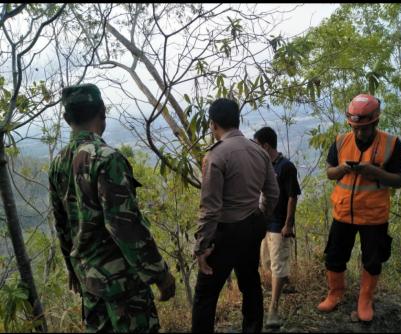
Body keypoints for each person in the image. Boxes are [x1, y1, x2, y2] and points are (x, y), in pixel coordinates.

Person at [49, 84, 176, 332]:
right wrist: (160, 275)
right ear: (102, 112)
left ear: (66, 118)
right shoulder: (106, 158)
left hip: (90, 283)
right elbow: (124, 226)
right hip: (123, 286)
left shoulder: (57, 163)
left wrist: (73, 270)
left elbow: (61, 224)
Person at [192, 98, 280, 333]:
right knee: (250, 282)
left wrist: (202, 247)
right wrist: (261, 215)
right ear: (237, 120)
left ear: (212, 125)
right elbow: (273, 192)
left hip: (226, 231)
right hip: (252, 225)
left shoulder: (216, 156)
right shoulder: (259, 151)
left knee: (206, 293)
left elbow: (210, 208)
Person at [317, 93, 401, 322]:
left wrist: (375, 172)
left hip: (374, 216)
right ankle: (335, 293)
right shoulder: (340, 141)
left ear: (375, 122)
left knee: (372, 260)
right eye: (355, 127)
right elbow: (329, 172)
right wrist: (343, 169)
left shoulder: (391, 144)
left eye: (364, 128)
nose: (359, 132)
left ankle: (365, 299)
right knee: (335, 256)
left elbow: (398, 180)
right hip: (343, 212)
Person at [253, 126, 301, 328]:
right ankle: (283, 280)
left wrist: (288, 224)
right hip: (264, 222)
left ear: (266, 145)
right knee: (267, 262)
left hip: (279, 223)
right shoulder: (263, 165)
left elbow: (292, 196)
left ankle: (273, 309)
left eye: (257, 145)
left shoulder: (286, 167)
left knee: (277, 265)